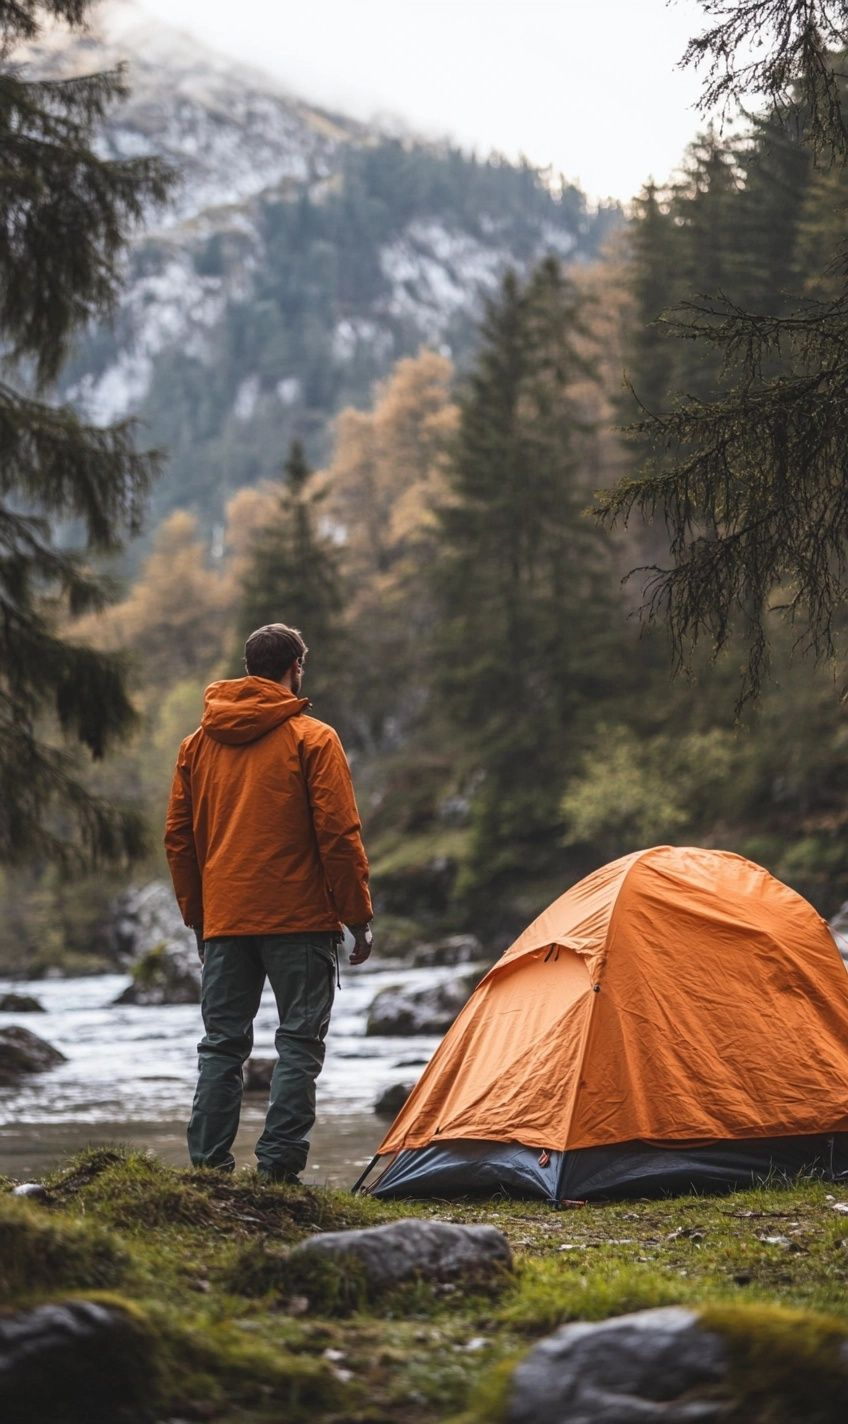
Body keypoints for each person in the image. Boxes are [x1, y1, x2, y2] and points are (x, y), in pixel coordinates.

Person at [164, 622, 373, 1183]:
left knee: (221, 1047)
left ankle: (208, 1171)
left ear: (248, 667)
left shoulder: (196, 746)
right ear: (295, 668)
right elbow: (339, 834)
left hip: (226, 921)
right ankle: (278, 1173)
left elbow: (179, 840)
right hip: (301, 920)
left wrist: (199, 918)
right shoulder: (314, 738)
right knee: (299, 1042)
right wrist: (357, 916)